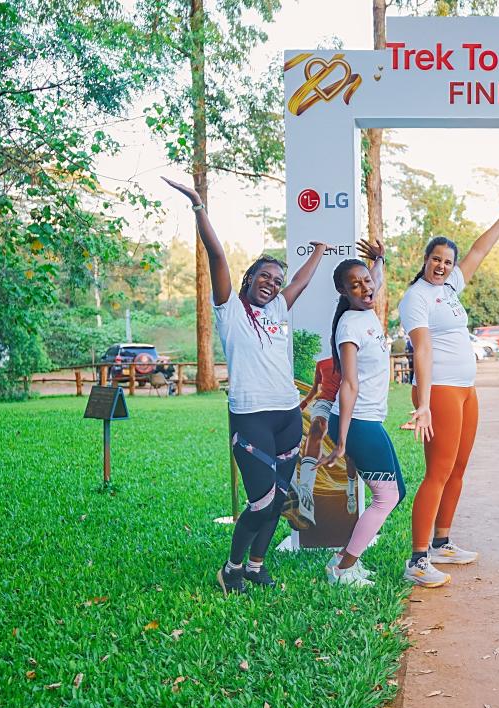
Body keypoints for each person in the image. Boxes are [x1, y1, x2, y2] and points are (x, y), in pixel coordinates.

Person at [163, 176, 329, 595]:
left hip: (288, 417)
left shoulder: (279, 308)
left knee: (280, 500)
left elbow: (302, 282)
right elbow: (217, 255)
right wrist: (200, 208)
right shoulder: (230, 311)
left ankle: (257, 565)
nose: (272, 283)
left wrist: (321, 253)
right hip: (251, 417)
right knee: (262, 501)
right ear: (249, 277)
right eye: (264, 276)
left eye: (276, 278)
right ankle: (232, 567)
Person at [400, 190, 499, 588]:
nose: (443, 266)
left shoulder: (450, 288)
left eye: (447, 262)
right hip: (441, 391)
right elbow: (421, 348)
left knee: (458, 467)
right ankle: (418, 559)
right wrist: (423, 401)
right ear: (425, 260)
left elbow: (478, 252)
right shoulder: (416, 297)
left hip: (465, 389)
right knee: (437, 471)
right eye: (436, 259)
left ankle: (442, 542)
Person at [320, 249, 404, 587]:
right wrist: (341, 441)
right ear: (343, 292)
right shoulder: (349, 326)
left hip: (370, 420)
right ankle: (342, 569)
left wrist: (378, 261)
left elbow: (375, 281)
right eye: (355, 286)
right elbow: (349, 383)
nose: (365, 288)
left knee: (396, 490)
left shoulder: (366, 306)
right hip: (358, 422)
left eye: (366, 282)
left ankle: (343, 561)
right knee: (387, 496)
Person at [294, 354, 358, 521]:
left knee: (350, 453)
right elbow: (315, 389)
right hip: (325, 403)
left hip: (346, 403)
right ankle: (306, 489)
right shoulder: (322, 363)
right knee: (316, 429)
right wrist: (303, 404)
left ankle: (350, 491)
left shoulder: (351, 360)